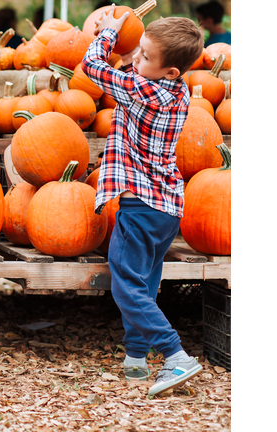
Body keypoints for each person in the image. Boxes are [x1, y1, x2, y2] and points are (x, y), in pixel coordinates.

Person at [81, 6, 205, 397]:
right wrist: (137, 55)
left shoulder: (142, 90)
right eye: (140, 49)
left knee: (125, 285)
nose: (137, 58)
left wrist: (110, 32)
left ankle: (175, 355)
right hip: (167, 207)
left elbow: (90, 65)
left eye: (146, 56)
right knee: (144, 283)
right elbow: (133, 72)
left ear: (170, 70)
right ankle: (136, 358)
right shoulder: (176, 88)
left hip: (141, 206)